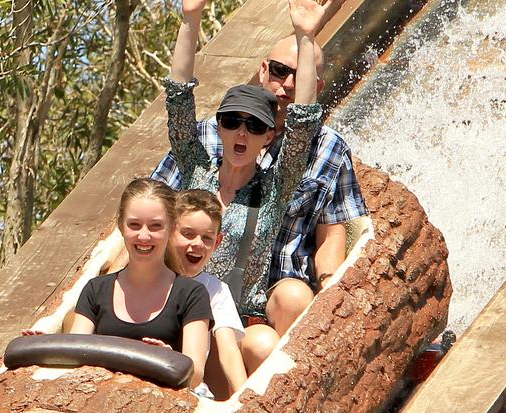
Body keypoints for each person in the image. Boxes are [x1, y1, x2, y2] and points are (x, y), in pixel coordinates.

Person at [152, 0, 367, 372]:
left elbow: (302, 127)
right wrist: (190, 19)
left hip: (243, 314)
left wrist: (305, 36)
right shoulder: (197, 165)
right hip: (182, 304)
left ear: (268, 137)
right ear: (218, 127)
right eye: (233, 121)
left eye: (253, 127)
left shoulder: (273, 190)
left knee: (264, 340)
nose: (241, 132)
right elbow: (178, 100)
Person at [62, 178, 213, 388]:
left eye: (155, 226)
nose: (144, 235)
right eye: (134, 225)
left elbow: (195, 374)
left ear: (172, 228)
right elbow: (74, 356)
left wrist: (170, 360)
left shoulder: (192, 294)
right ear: (121, 227)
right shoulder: (95, 290)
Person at [170, 189, 247, 399]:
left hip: (194, 391)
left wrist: (243, 398)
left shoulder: (215, 289)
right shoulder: (153, 278)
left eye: (206, 238)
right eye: (187, 234)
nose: (197, 243)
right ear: (169, 232)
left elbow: (229, 351)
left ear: (217, 242)